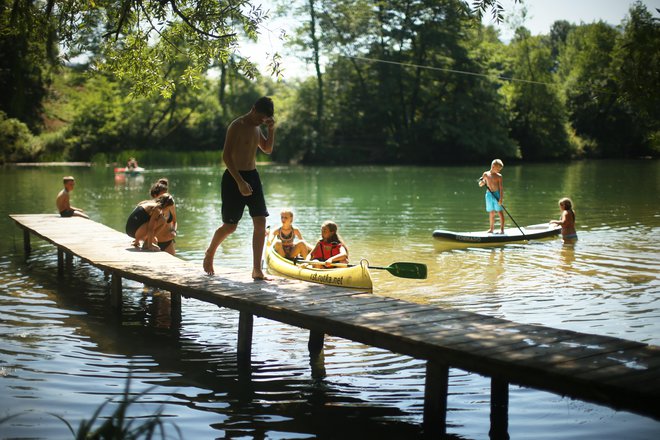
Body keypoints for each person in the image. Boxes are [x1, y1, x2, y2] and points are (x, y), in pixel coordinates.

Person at [203, 96, 276, 279]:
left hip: (253, 176)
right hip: (233, 177)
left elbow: (267, 149)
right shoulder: (237, 125)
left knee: (260, 222)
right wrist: (240, 182)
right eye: (261, 118)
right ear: (253, 109)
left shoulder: (258, 127)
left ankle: (256, 270)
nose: (261, 121)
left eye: (264, 119)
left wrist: (271, 129)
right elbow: (226, 157)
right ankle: (210, 252)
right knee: (230, 227)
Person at [149, 178, 177, 255]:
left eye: (166, 193)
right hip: (153, 242)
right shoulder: (150, 207)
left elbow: (174, 221)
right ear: (155, 195)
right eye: (163, 194)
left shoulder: (170, 205)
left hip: (168, 242)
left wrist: (174, 231)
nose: (166, 196)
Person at [478, 159, 505, 234]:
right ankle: (491, 229)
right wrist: (482, 183)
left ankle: (502, 230)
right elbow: (480, 184)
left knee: (500, 212)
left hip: (497, 194)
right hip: (489, 195)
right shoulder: (486, 174)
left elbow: (501, 188)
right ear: (493, 166)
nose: (499, 171)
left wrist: (501, 199)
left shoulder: (499, 176)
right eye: (498, 169)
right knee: (491, 212)